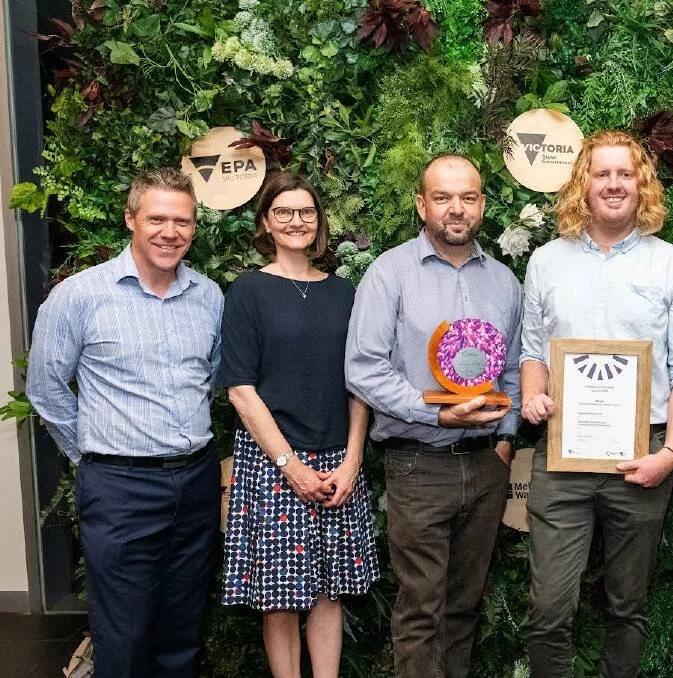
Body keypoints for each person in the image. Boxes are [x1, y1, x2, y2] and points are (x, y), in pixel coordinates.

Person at [520, 129, 673, 678]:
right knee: (550, 609)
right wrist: (532, 394)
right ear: (583, 183)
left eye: (625, 173)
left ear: (641, 184)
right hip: (561, 458)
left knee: (628, 608)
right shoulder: (546, 262)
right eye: (602, 173)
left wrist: (670, 453)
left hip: (642, 458)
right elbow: (533, 351)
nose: (614, 184)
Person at [26, 168, 223, 678]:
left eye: (182, 221)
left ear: (194, 227)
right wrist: (96, 457)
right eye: (157, 218)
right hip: (119, 488)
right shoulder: (80, 297)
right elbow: (46, 390)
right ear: (130, 219)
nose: (170, 231)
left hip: (196, 482)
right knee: (124, 631)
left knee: (182, 626)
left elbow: (215, 377)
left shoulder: (210, 297)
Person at [345, 154, 522, 678]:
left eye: (468, 197)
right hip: (419, 466)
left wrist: (506, 439)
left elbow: (513, 367)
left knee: (465, 606)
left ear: (482, 205)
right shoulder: (389, 273)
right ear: (422, 204)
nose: (456, 208)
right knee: (421, 608)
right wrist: (432, 413)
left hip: (487, 465)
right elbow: (363, 369)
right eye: (443, 197)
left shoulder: (505, 283)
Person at [218, 172, 380, 678]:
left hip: (338, 461)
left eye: (305, 212)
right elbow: (241, 390)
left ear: (319, 221)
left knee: (329, 593)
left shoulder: (345, 293)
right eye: (283, 212)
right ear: (266, 221)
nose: (296, 221)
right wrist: (290, 465)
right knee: (280, 598)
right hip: (272, 465)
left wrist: (353, 460)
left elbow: (361, 384)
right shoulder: (248, 292)